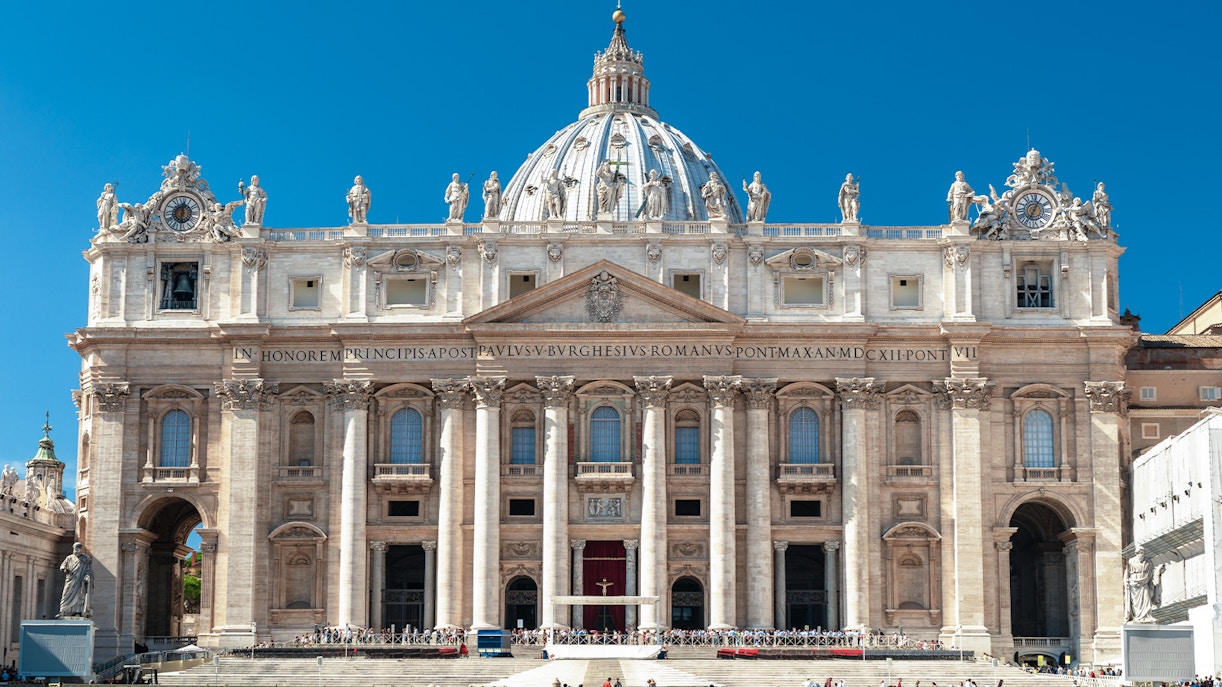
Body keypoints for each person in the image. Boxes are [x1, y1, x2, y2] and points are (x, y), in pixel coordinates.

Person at [1124, 545, 1165, 622]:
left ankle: (1147, 616)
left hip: (1145, 584)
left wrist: (1159, 571)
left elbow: (1152, 572)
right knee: (1136, 604)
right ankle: (1137, 617)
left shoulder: (1148, 561)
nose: (1141, 554)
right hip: (1135, 585)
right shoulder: (1131, 561)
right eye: (1139, 553)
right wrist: (1126, 582)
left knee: (1147, 600)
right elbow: (1126, 574)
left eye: (1142, 553)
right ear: (1136, 553)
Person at [59, 542, 92, 617]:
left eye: (78, 549)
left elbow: (88, 569)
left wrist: (87, 575)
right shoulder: (69, 558)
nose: (76, 551)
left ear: (80, 549)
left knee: (79, 595)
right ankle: (64, 610)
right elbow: (63, 565)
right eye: (75, 549)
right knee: (66, 594)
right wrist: (64, 568)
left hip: (80, 581)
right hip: (71, 579)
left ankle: (78, 611)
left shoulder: (85, 558)